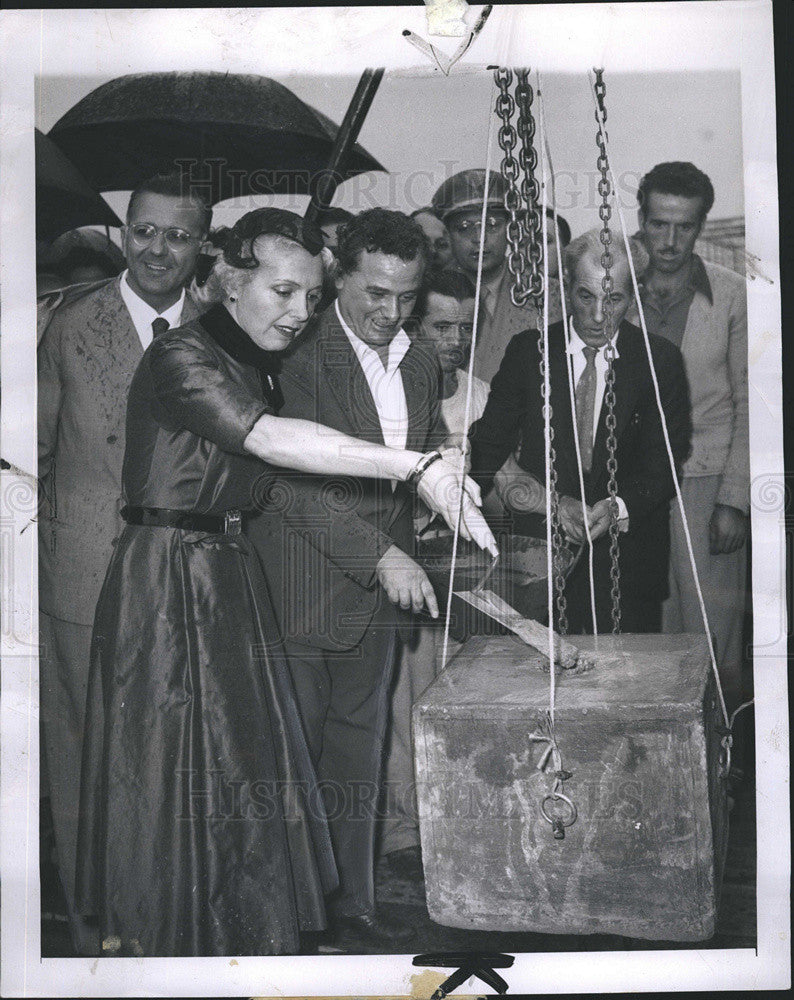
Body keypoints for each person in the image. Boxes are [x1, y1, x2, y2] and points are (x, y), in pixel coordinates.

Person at [75, 208, 494, 957]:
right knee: (164, 761)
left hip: (223, 571)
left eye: (307, 294)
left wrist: (438, 479)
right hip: (168, 575)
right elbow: (274, 445)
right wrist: (412, 467)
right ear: (229, 281)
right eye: (282, 292)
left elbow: (260, 481)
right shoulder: (184, 358)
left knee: (231, 766)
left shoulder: (244, 363)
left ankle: (217, 926)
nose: (299, 313)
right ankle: (149, 935)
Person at [247, 208, 495, 947]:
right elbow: (280, 482)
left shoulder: (421, 364)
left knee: (358, 751)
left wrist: (449, 491)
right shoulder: (291, 354)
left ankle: (350, 902)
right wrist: (381, 557)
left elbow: (413, 469)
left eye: (407, 298)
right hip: (297, 583)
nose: (391, 314)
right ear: (338, 276)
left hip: (381, 596)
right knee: (291, 756)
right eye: (376, 293)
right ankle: (287, 910)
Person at [37, 171, 210, 954]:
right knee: (80, 751)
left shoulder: (221, 330)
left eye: (178, 235)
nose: (158, 250)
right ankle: (86, 926)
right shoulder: (68, 324)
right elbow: (26, 456)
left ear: (202, 244)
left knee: (169, 750)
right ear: (124, 230)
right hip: (80, 566)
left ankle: (159, 921)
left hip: (183, 580)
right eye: (144, 231)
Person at [469, 228, 691, 634]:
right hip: (538, 565)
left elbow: (666, 468)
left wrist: (616, 507)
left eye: (614, 299)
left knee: (625, 688)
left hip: (630, 567)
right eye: (585, 296)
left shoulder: (660, 361)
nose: (596, 316)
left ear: (635, 295)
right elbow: (484, 448)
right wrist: (549, 503)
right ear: (566, 287)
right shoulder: (527, 352)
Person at [379, 267, 490, 880]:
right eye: (441, 326)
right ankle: (403, 830)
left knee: (459, 695)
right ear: (414, 326)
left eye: (464, 328)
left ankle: (461, 821)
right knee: (407, 700)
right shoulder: (390, 387)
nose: (453, 339)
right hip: (409, 570)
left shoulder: (482, 394)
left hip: (468, 573)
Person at [632, 161, 749, 708]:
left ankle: (723, 763)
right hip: (632, 488)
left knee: (710, 635)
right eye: (658, 224)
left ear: (700, 226)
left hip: (704, 485)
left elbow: (752, 405)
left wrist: (734, 500)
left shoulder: (732, 296)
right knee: (646, 633)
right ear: (641, 219)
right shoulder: (613, 292)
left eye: (684, 227)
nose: (670, 240)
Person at [431, 169, 569, 382]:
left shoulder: (546, 293)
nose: (479, 238)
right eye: (464, 228)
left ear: (511, 229)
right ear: (448, 235)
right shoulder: (430, 295)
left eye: (492, 225)